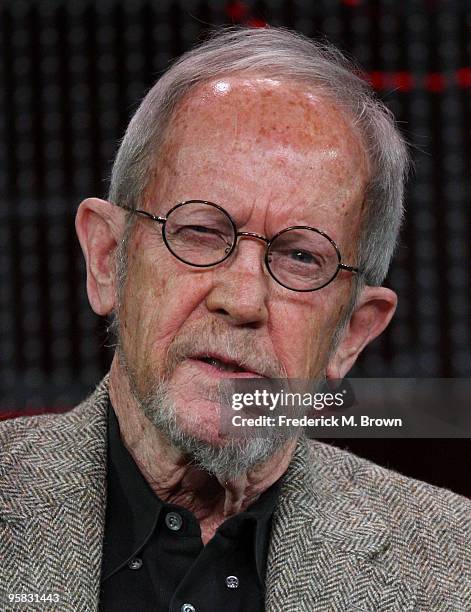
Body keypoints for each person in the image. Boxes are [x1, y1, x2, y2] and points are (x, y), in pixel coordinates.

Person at [1, 26, 470, 612]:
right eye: (199, 231)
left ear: (352, 333)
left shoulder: (454, 571)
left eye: (302, 257)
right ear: (106, 260)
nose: (243, 301)